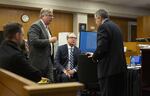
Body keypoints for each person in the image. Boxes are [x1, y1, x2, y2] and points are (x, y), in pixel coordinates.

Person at [88, 9, 127, 96]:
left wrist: (94, 57)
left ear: (99, 18)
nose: (95, 22)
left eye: (95, 19)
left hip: (109, 71)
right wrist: (95, 54)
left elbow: (102, 48)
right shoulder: (116, 27)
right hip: (120, 70)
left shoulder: (103, 27)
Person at [28, 8, 57, 83]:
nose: (52, 18)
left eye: (52, 16)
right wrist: (49, 40)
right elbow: (34, 41)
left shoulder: (47, 28)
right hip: (38, 62)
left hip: (48, 60)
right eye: (50, 15)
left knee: (50, 82)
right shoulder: (35, 26)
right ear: (43, 16)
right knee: (39, 85)